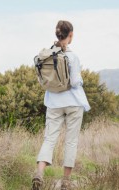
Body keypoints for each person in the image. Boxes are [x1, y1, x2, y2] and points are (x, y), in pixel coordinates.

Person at [32, 20, 91, 190]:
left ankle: (39, 173)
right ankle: (65, 181)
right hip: (73, 103)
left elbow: (42, 80)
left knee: (49, 138)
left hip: (53, 102)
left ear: (57, 34)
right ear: (70, 35)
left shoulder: (46, 55)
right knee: (71, 141)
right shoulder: (72, 56)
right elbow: (75, 81)